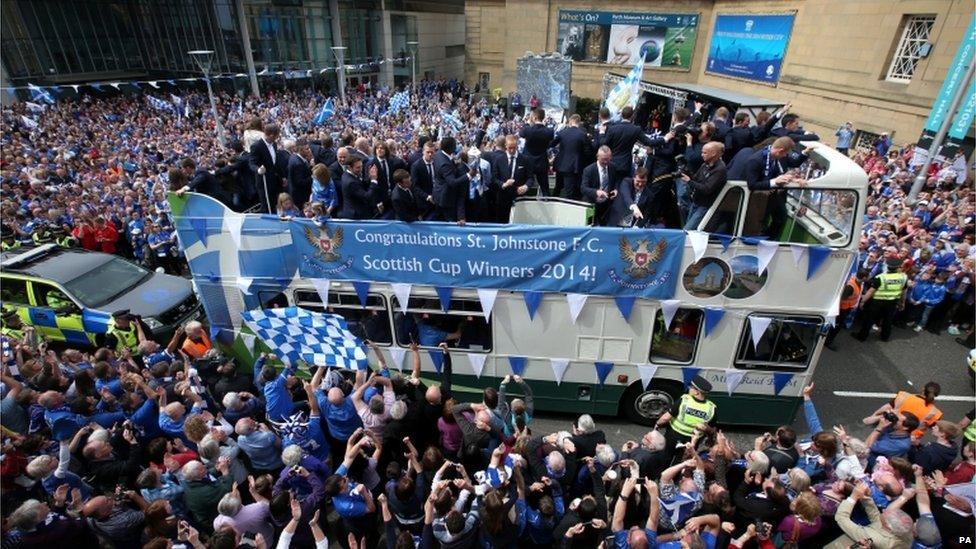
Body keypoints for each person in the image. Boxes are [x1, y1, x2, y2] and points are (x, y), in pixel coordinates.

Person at [655, 375, 716, 463]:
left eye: (691, 387)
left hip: (672, 436)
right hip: (692, 441)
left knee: (664, 458)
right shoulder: (711, 408)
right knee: (682, 461)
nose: (689, 388)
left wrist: (657, 424)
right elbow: (711, 429)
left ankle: (661, 475)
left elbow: (665, 418)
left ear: (697, 392)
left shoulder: (684, 400)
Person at [853, 257, 908, 342]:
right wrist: (902, 302)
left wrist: (862, 301)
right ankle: (885, 337)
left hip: (877, 302)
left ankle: (862, 337)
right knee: (888, 320)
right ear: (898, 267)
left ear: (888, 266)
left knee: (869, 319)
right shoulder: (903, 278)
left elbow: (871, 291)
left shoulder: (880, 277)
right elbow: (904, 292)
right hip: (892, 302)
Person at [682, 141, 727, 230]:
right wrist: (687, 172)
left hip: (705, 205)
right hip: (696, 201)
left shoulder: (720, 169)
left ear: (713, 153)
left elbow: (707, 189)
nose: (702, 155)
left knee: (687, 230)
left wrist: (689, 181)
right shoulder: (705, 164)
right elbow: (696, 179)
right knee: (688, 229)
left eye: (704, 153)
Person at [603, 106, 655, 180]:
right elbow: (648, 142)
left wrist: (601, 134)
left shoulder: (612, 128)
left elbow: (604, 144)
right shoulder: (635, 129)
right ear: (633, 116)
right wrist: (665, 139)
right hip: (625, 164)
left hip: (612, 163)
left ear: (621, 115)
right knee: (623, 186)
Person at [432, 136, 473, 223]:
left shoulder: (438, 154)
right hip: (446, 199)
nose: (456, 147)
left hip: (439, 194)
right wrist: (468, 175)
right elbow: (452, 182)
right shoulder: (445, 164)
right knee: (450, 222)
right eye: (455, 145)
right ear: (451, 148)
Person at [249, 124, 288, 213]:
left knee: (277, 202)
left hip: (275, 180)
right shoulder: (256, 146)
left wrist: (283, 177)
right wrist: (258, 169)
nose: (277, 138)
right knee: (267, 205)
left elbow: (275, 162)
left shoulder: (274, 144)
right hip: (264, 181)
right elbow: (252, 163)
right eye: (277, 136)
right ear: (271, 135)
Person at [551, 114, 587, 199]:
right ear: (579, 122)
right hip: (573, 166)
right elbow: (587, 151)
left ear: (570, 121)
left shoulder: (563, 132)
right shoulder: (582, 134)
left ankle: (552, 204)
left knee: (557, 187)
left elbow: (552, 143)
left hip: (560, 164)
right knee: (569, 190)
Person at [519, 108, 554, 195]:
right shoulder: (549, 132)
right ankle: (547, 203)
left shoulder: (528, 129)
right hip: (542, 162)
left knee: (524, 187)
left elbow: (521, 133)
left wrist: (527, 123)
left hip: (528, 161)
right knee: (545, 188)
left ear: (534, 117)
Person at [287, 139, 314, 209]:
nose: (309, 150)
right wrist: (313, 177)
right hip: (300, 197)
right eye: (307, 149)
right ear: (300, 150)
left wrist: (310, 166)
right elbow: (300, 182)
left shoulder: (294, 158)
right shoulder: (298, 163)